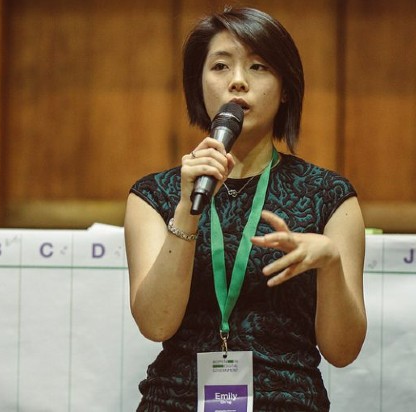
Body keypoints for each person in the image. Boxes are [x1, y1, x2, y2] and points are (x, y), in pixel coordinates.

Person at [124, 6, 366, 411]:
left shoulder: (329, 194)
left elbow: (343, 351)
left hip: (288, 401)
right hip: (177, 400)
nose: (237, 81)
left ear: (285, 87)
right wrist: (187, 207)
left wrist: (331, 264)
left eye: (258, 67)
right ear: (197, 84)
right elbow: (155, 323)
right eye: (220, 66)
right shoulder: (155, 194)